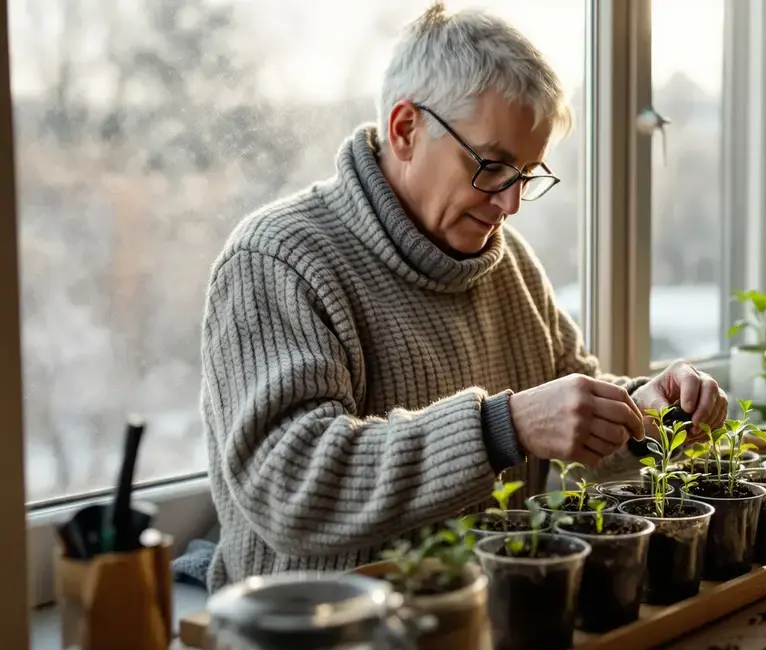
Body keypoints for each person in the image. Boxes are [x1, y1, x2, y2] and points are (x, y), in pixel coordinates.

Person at [200, 3, 728, 590]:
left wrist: (651, 413)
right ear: (405, 130)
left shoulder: (511, 266)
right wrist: (502, 428)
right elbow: (287, 487)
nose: (511, 204)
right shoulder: (279, 259)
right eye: (493, 166)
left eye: (526, 174)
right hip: (322, 640)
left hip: (496, 624)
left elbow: (577, 428)